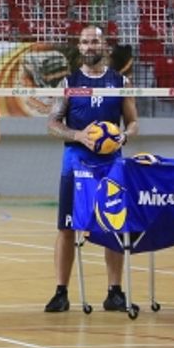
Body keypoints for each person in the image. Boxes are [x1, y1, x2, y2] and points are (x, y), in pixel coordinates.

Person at [44, 25, 140, 313]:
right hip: (75, 163)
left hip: (111, 164)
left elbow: (133, 122)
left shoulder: (120, 82)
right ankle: (61, 292)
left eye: (94, 42)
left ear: (104, 46)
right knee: (67, 227)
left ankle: (115, 292)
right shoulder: (68, 83)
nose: (88, 46)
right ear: (79, 47)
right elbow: (52, 124)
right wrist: (79, 135)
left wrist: (123, 136)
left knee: (115, 224)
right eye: (84, 42)